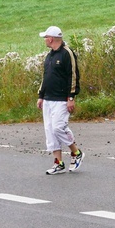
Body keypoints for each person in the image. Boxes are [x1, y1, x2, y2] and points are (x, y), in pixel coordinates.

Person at [37, 26, 84, 175]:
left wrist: (71, 97)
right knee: (50, 131)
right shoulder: (49, 55)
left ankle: (76, 153)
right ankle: (58, 163)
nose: (45, 40)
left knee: (58, 128)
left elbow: (73, 75)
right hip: (48, 99)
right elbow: (46, 77)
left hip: (61, 100)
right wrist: (41, 95)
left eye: (46, 37)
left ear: (51, 38)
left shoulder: (67, 53)